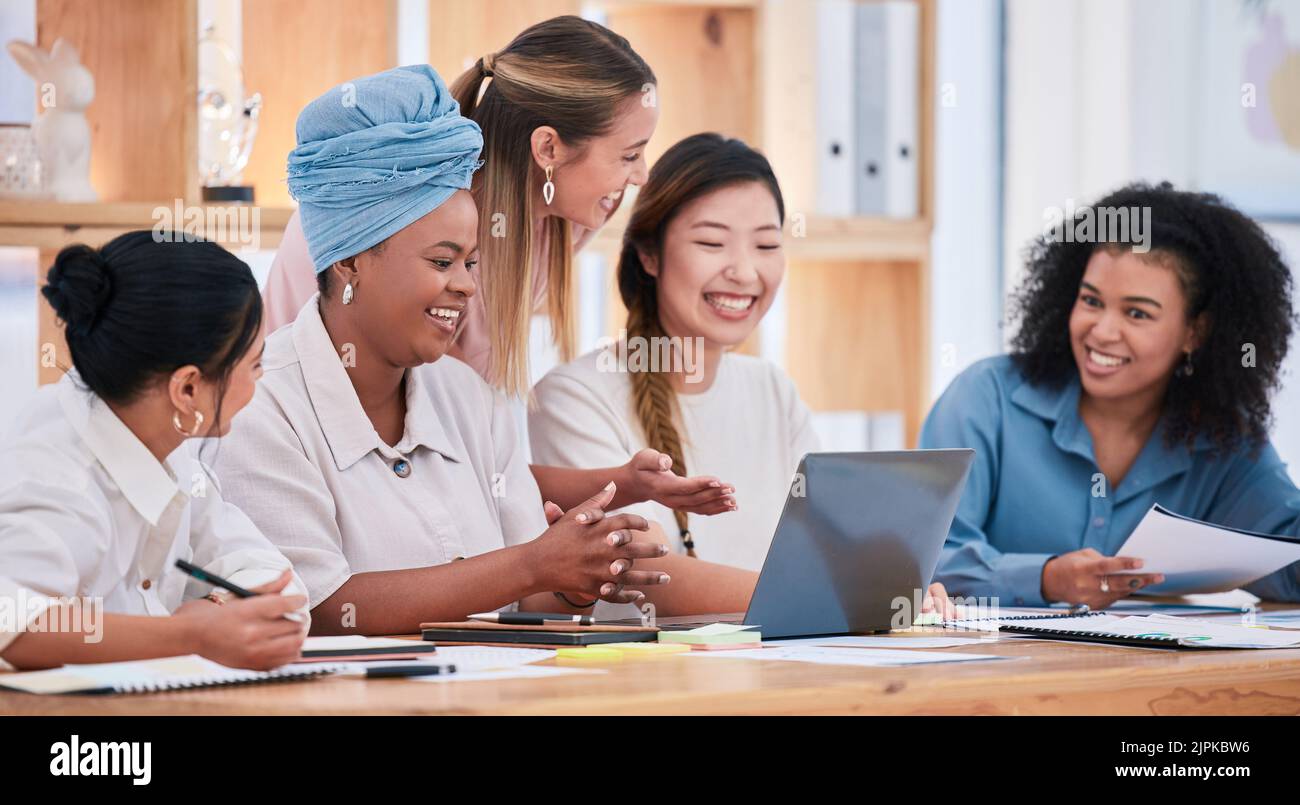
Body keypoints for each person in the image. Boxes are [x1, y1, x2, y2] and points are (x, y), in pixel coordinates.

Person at [921, 182, 1300, 608]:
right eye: (1091, 301)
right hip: (993, 672)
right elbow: (921, 559)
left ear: (1195, 332)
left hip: (1156, 674)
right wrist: (1046, 579)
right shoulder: (985, 399)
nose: (1101, 331)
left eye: (1137, 313)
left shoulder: (1223, 440)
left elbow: (1289, 568)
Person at [0, 232, 308, 671]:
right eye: (255, 364)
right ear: (187, 388)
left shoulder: (166, 446)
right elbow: (11, 621)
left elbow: (280, 585)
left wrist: (218, 613)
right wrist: (190, 635)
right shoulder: (56, 471)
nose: (261, 381)